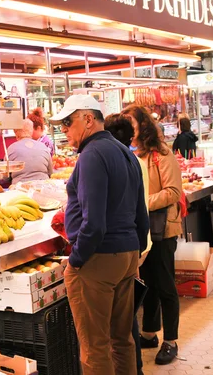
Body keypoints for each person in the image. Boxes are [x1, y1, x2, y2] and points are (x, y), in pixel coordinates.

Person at [49, 95, 149, 375]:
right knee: (122, 340)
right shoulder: (126, 152)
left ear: (88, 120)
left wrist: (77, 259)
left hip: (99, 258)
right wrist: (136, 249)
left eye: (68, 123)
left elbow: (94, 223)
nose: (65, 130)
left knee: (95, 347)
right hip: (126, 254)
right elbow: (141, 211)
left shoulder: (92, 156)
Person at [122, 105, 183, 366]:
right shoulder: (130, 154)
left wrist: (142, 203)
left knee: (166, 284)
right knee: (147, 285)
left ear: (142, 126)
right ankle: (149, 333)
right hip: (142, 230)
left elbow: (173, 191)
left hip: (163, 229)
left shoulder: (161, 153)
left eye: (131, 125)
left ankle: (170, 340)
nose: (127, 131)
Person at [105, 113, 152, 375]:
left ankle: (133, 367)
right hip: (135, 242)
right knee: (128, 312)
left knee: (122, 319)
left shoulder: (117, 162)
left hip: (123, 245)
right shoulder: (133, 160)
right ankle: (135, 368)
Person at [7, 119, 52, 184]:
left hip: (19, 188)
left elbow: (5, 174)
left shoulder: (11, 148)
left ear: (16, 133)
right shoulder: (43, 146)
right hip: (43, 187)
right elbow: (50, 172)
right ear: (31, 131)